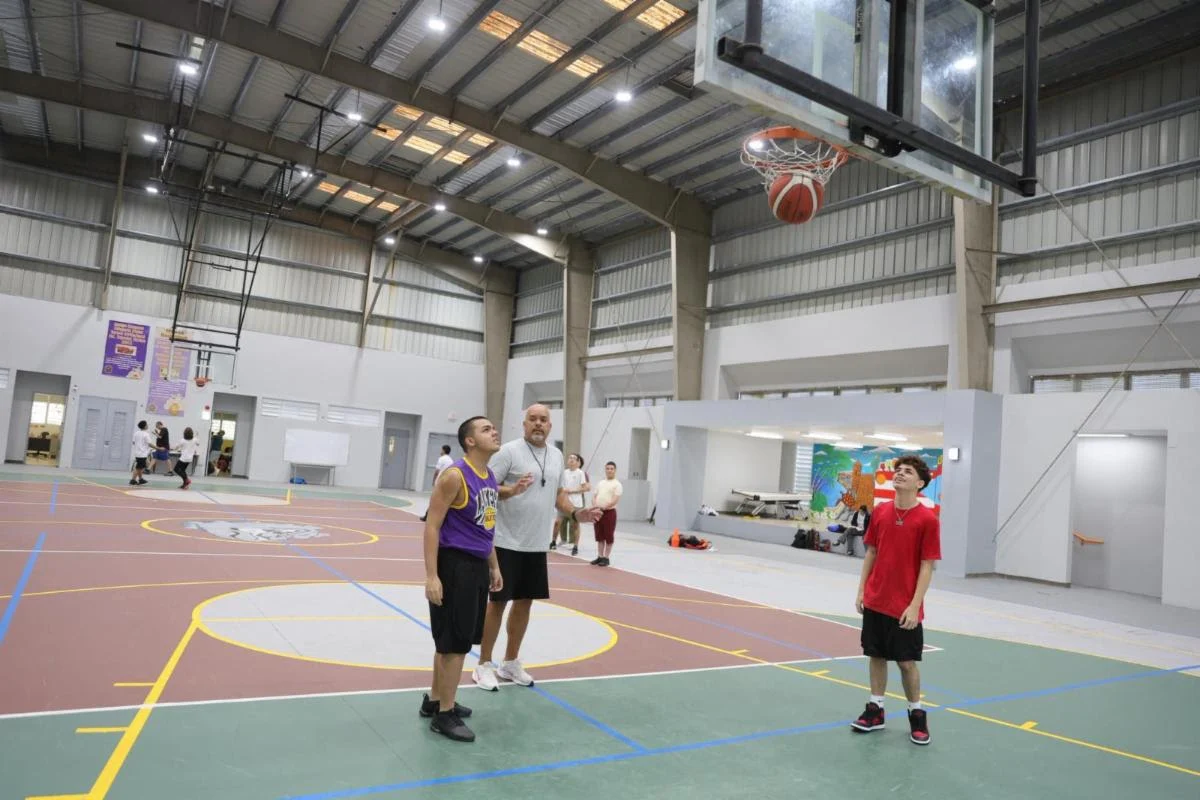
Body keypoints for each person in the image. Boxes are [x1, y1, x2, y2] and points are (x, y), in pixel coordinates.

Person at [472, 404, 601, 691]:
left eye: (544, 420)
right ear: (524, 424)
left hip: (536, 545)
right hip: (505, 542)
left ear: (550, 426)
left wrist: (577, 514)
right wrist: (512, 490)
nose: (538, 424)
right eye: (533, 419)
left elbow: (557, 496)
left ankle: (510, 662)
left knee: (524, 603)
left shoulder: (556, 456)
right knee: (497, 604)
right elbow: (485, 486)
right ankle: (483, 664)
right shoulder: (508, 452)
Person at [421, 415, 503, 742]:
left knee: (452, 638)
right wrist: (431, 576)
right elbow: (431, 526)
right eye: (486, 429)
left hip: (477, 564)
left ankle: (436, 699)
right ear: (469, 440)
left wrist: (494, 566)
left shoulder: (490, 476)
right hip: (455, 565)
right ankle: (445, 714)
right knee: (454, 643)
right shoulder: (455, 476)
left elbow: (487, 526)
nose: (494, 431)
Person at [851, 455, 941, 745]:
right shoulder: (880, 511)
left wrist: (915, 605)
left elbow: (928, 565)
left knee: (906, 663)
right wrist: (862, 589)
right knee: (876, 655)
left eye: (907, 472)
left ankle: (916, 714)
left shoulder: (927, 519)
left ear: (920, 483)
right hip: (876, 598)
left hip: (904, 605)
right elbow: (871, 553)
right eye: (898, 470)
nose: (900, 474)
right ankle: (875, 709)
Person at [552, 453, 589, 556]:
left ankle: (575, 546)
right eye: (570, 458)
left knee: (575, 525)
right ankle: (553, 542)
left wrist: (571, 490)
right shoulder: (563, 473)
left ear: (578, 462)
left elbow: (585, 487)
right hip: (563, 502)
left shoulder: (580, 473)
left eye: (574, 459)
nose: (571, 460)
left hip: (576, 504)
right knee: (557, 522)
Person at [590, 461, 622, 566]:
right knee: (599, 535)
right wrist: (595, 506)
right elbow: (594, 496)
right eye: (607, 468)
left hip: (609, 513)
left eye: (611, 469)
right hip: (598, 512)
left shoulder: (617, 484)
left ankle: (606, 557)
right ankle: (600, 556)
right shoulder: (600, 483)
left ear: (615, 470)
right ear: (605, 470)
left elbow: (615, 499)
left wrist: (605, 507)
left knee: (608, 535)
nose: (609, 470)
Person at [422, 445, 456, 522]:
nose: (440, 451)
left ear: (444, 450)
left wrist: (434, 480)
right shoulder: (451, 460)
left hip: (439, 481)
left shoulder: (441, 459)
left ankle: (427, 516)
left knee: (434, 499)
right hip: (446, 482)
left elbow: (437, 471)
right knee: (444, 500)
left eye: (441, 450)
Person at [130, 420, 154, 486]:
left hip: (137, 453)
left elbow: (134, 442)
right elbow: (149, 444)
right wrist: (158, 448)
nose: (147, 425)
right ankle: (133, 480)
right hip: (142, 453)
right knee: (139, 467)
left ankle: (140, 479)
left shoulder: (136, 433)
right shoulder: (146, 434)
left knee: (140, 466)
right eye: (147, 424)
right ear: (145, 426)